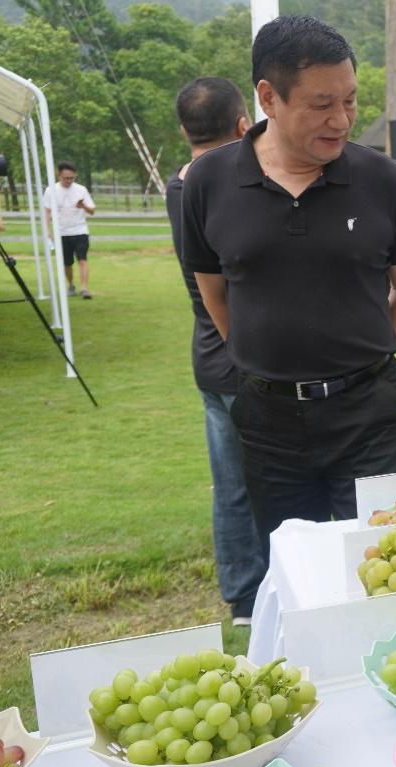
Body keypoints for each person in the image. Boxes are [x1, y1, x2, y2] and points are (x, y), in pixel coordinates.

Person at [181, 16, 396, 598]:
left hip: (368, 414)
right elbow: (214, 289)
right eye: (321, 105)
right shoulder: (210, 181)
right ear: (268, 97)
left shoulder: (382, 179)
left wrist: (364, 352)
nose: (341, 120)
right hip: (269, 421)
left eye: (349, 101)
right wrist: (260, 358)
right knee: (296, 570)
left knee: (381, 567)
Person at [166, 76, 264, 625]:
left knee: (230, 484)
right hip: (244, 355)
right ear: (243, 123)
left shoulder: (177, 186)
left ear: (184, 129)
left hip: (208, 352)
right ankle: (261, 590)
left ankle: (244, 599)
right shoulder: (222, 187)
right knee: (267, 482)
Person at [42, 162, 96, 298]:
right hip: (61, 232)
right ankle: (71, 285)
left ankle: (84, 289)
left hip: (80, 231)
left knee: (82, 260)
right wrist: (47, 230)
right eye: (66, 178)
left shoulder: (81, 189)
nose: (69, 181)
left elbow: (92, 211)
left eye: (72, 178)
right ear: (59, 175)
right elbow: (47, 211)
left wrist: (83, 206)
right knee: (67, 263)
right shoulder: (50, 190)